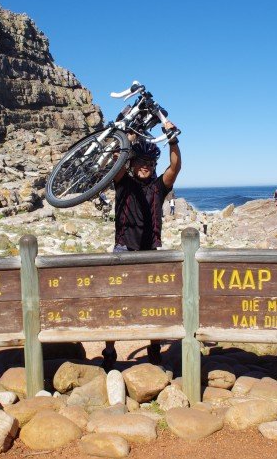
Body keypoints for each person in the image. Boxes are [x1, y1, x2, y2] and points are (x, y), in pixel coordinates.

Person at [103, 122, 181, 369]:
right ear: (132, 164)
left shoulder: (158, 188)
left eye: (149, 162)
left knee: (154, 303)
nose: (145, 166)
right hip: (123, 248)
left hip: (150, 251)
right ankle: (109, 350)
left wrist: (172, 139)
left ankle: (154, 348)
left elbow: (175, 167)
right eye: (140, 161)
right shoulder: (123, 182)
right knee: (115, 302)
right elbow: (116, 159)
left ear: (154, 166)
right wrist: (127, 138)